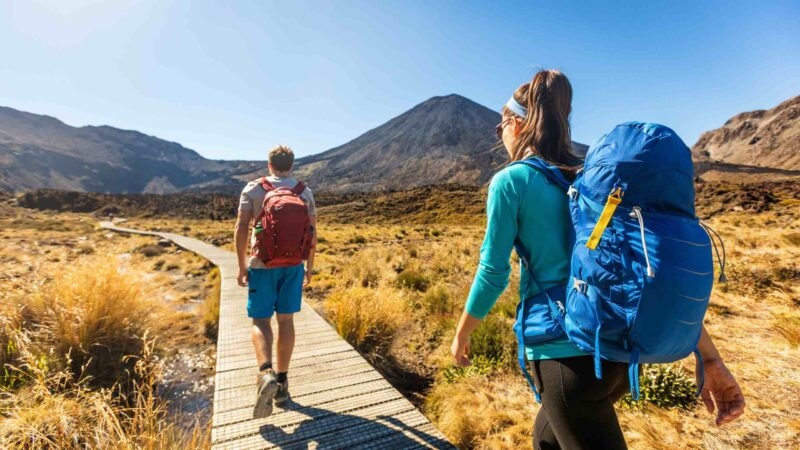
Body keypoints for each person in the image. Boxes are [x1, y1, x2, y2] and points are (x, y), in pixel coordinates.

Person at [450, 70, 745, 449]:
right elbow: (642, 272)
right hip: (615, 356)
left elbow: (493, 272)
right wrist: (712, 359)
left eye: (500, 126)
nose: (500, 135)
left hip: (564, 361)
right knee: (547, 441)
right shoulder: (586, 181)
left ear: (517, 123)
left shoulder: (511, 182)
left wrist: (462, 334)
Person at [235, 145, 317, 418]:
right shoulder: (304, 192)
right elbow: (312, 233)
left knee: (260, 321)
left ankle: (265, 373)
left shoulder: (253, 189)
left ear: (269, 164)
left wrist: (241, 266)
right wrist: (310, 267)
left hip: (262, 265)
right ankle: (282, 383)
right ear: (291, 165)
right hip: (293, 266)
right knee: (286, 321)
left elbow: (242, 227)